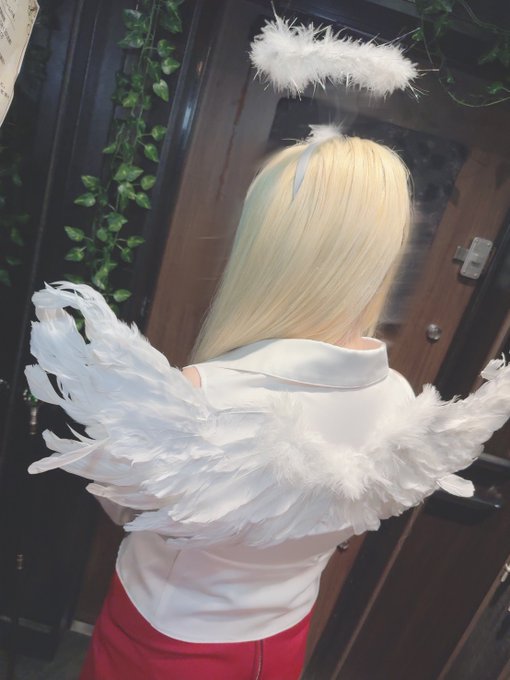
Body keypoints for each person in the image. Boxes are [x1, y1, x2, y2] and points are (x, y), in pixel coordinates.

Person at [25, 128, 510, 680]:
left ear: (267, 250)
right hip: (280, 639)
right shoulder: (398, 398)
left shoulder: (204, 394)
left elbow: (128, 508)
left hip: (167, 645)